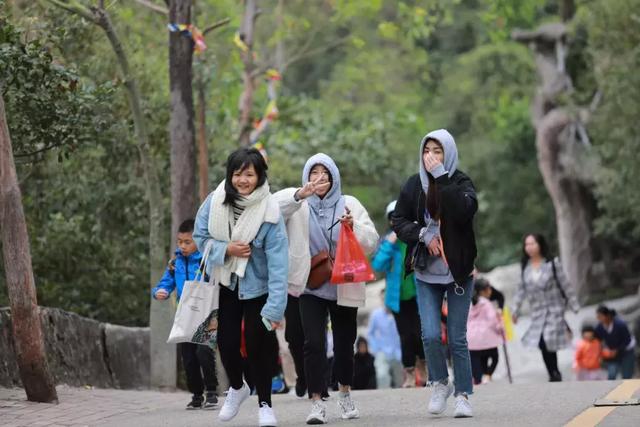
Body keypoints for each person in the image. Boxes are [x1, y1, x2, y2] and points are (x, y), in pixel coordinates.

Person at [274, 153, 378, 425]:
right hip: (310, 285)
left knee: (345, 344)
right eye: (313, 172)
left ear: (334, 178)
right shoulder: (298, 204)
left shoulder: (349, 203)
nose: (319, 177)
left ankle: (344, 394)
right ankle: (316, 401)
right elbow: (271, 210)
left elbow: (373, 241)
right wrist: (299, 193)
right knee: (313, 344)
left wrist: (353, 227)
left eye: (325, 173)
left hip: (344, 284)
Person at [193, 148, 288, 427]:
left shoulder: (269, 210)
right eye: (237, 173)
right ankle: (237, 387)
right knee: (226, 343)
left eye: (249, 174)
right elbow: (200, 237)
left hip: (258, 288)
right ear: (230, 174)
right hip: (227, 282)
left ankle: (265, 406)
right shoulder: (215, 202)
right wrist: (227, 249)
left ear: (259, 176)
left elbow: (279, 263)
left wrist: (275, 308)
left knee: (258, 346)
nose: (243, 180)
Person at [392, 129, 478, 418]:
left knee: (457, 338)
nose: (431, 156)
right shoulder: (414, 185)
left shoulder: (460, 182)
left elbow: (464, 211)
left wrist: (441, 176)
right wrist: (422, 235)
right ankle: (440, 382)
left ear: (448, 153)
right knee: (429, 335)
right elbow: (398, 220)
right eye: (427, 150)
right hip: (426, 272)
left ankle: (463, 394)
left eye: (438, 151)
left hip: (458, 272)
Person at [152, 219, 218, 410]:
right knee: (188, 357)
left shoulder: (208, 260)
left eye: (187, 242)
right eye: (179, 241)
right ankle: (196, 395)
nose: (182, 246)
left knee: (204, 351)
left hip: (206, 314)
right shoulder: (175, 263)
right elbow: (165, 283)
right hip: (185, 315)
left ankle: (211, 392)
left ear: (198, 239)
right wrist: (159, 292)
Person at [371, 201, 427, 388]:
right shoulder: (389, 242)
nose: (396, 222)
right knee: (405, 336)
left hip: (418, 296)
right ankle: (410, 373)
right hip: (397, 299)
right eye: (392, 219)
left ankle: (423, 365)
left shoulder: (415, 237)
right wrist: (389, 243)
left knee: (419, 334)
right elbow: (377, 265)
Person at [512, 233, 580, 382]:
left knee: (546, 340)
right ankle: (553, 373)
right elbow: (520, 290)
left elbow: (565, 284)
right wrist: (515, 310)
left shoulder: (552, 263)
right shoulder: (525, 267)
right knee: (543, 343)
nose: (529, 247)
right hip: (537, 313)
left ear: (540, 245)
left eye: (532, 244)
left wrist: (574, 304)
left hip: (554, 310)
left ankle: (554, 373)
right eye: (527, 244)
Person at [467, 278, 503, 385]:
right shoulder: (486, 304)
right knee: (495, 358)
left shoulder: (470, 303)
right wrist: (499, 328)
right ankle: (487, 375)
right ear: (483, 291)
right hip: (486, 338)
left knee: (479, 362)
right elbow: (492, 320)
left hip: (472, 340)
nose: (491, 291)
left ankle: (480, 379)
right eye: (489, 289)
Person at [367, 290, 403, 388]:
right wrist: (375, 349)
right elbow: (370, 333)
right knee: (382, 377)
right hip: (382, 352)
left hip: (398, 352)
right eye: (383, 298)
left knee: (400, 381)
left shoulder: (399, 313)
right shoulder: (376, 314)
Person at [595, 305, 636, 379]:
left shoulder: (620, 325)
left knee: (626, 376)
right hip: (613, 354)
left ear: (607, 316)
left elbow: (627, 340)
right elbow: (597, 340)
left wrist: (617, 350)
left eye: (600, 316)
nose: (598, 319)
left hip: (626, 352)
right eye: (598, 317)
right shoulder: (600, 327)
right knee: (611, 375)